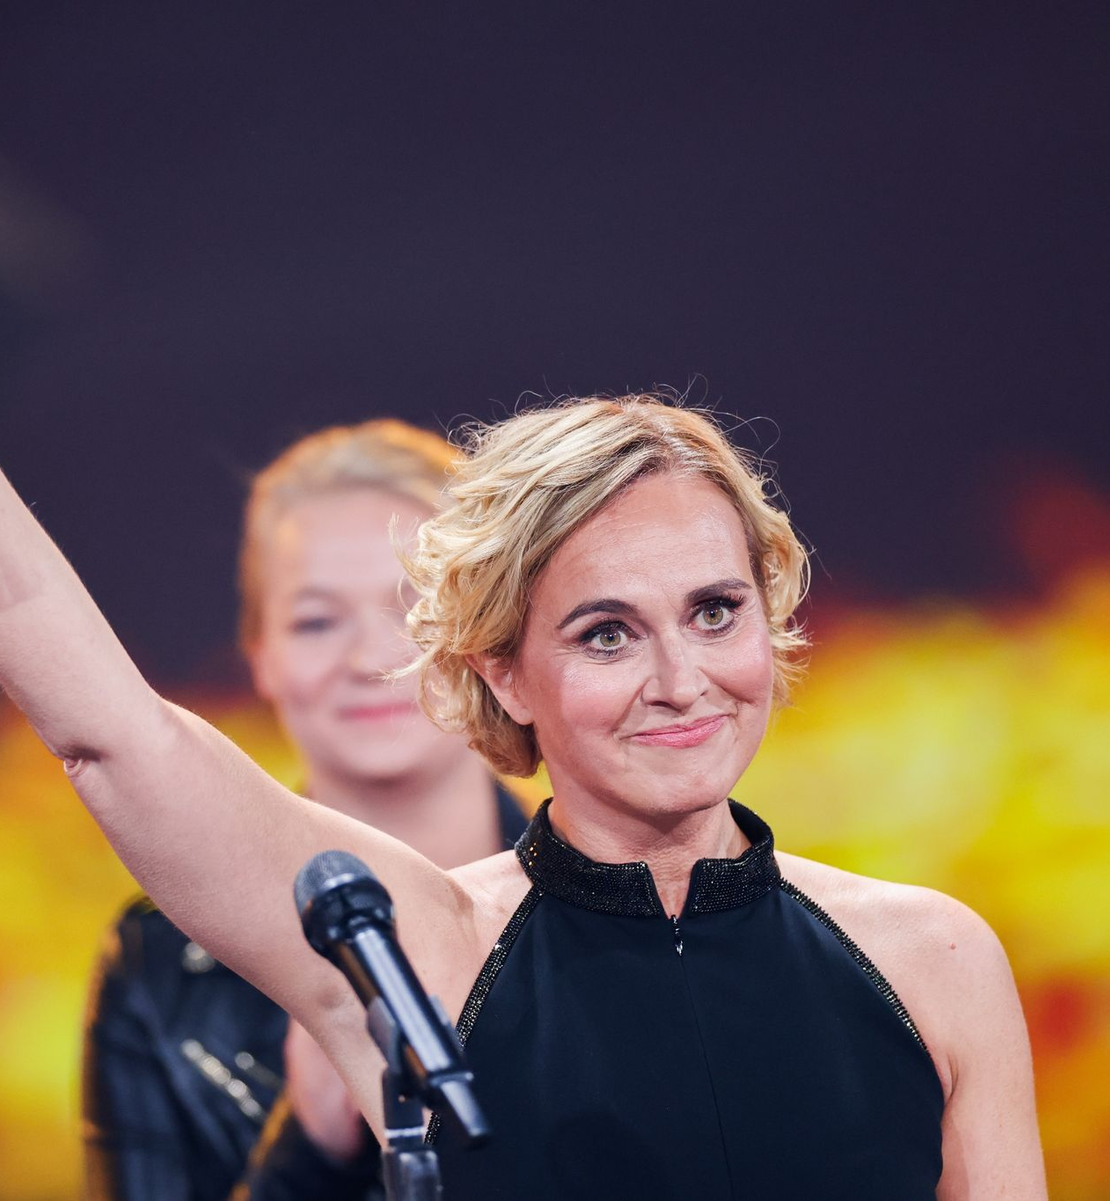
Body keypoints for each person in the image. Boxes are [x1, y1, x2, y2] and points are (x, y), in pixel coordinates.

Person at [0, 394, 1046, 1199]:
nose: (682, 679)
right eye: (607, 632)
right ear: (501, 668)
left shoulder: (938, 959)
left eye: (716, 611)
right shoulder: (428, 948)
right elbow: (113, 734)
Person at [80, 420, 528, 1201]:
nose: (368, 657)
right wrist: (313, 1146)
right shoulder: (156, 963)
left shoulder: (618, 900)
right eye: (317, 621)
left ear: (490, 633)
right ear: (261, 653)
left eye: (414, 607)